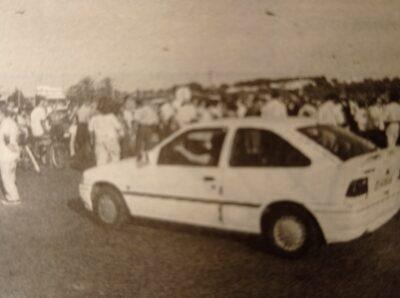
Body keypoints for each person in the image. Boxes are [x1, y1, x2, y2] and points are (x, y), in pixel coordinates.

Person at [88, 97, 124, 166]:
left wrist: (92, 142)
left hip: (99, 141)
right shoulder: (112, 117)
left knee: (101, 160)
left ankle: (102, 174)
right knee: (115, 159)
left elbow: (91, 132)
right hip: (112, 139)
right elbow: (120, 129)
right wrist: (119, 137)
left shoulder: (94, 118)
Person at [0, 106, 21, 205]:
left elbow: (7, 139)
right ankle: (13, 196)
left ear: (2, 113)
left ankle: (13, 198)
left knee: (6, 177)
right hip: (13, 154)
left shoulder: (5, 123)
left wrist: (12, 150)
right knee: (11, 177)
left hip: (7, 155)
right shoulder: (12, 122)